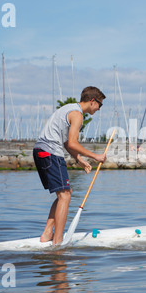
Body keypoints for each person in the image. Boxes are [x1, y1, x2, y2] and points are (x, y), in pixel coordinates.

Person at [33, 86, 107, 245]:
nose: (99, 109)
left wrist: (79, 159)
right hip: (50, 152)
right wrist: (95, 156)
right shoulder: (77, 115)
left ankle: (47, 234)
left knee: (64, 194)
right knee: (65, 195)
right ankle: (57, 242)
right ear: (92, 101)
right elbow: (73, 142)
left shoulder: (69, 109)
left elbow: (67, 142)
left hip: (41, 150)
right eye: (100, 105)